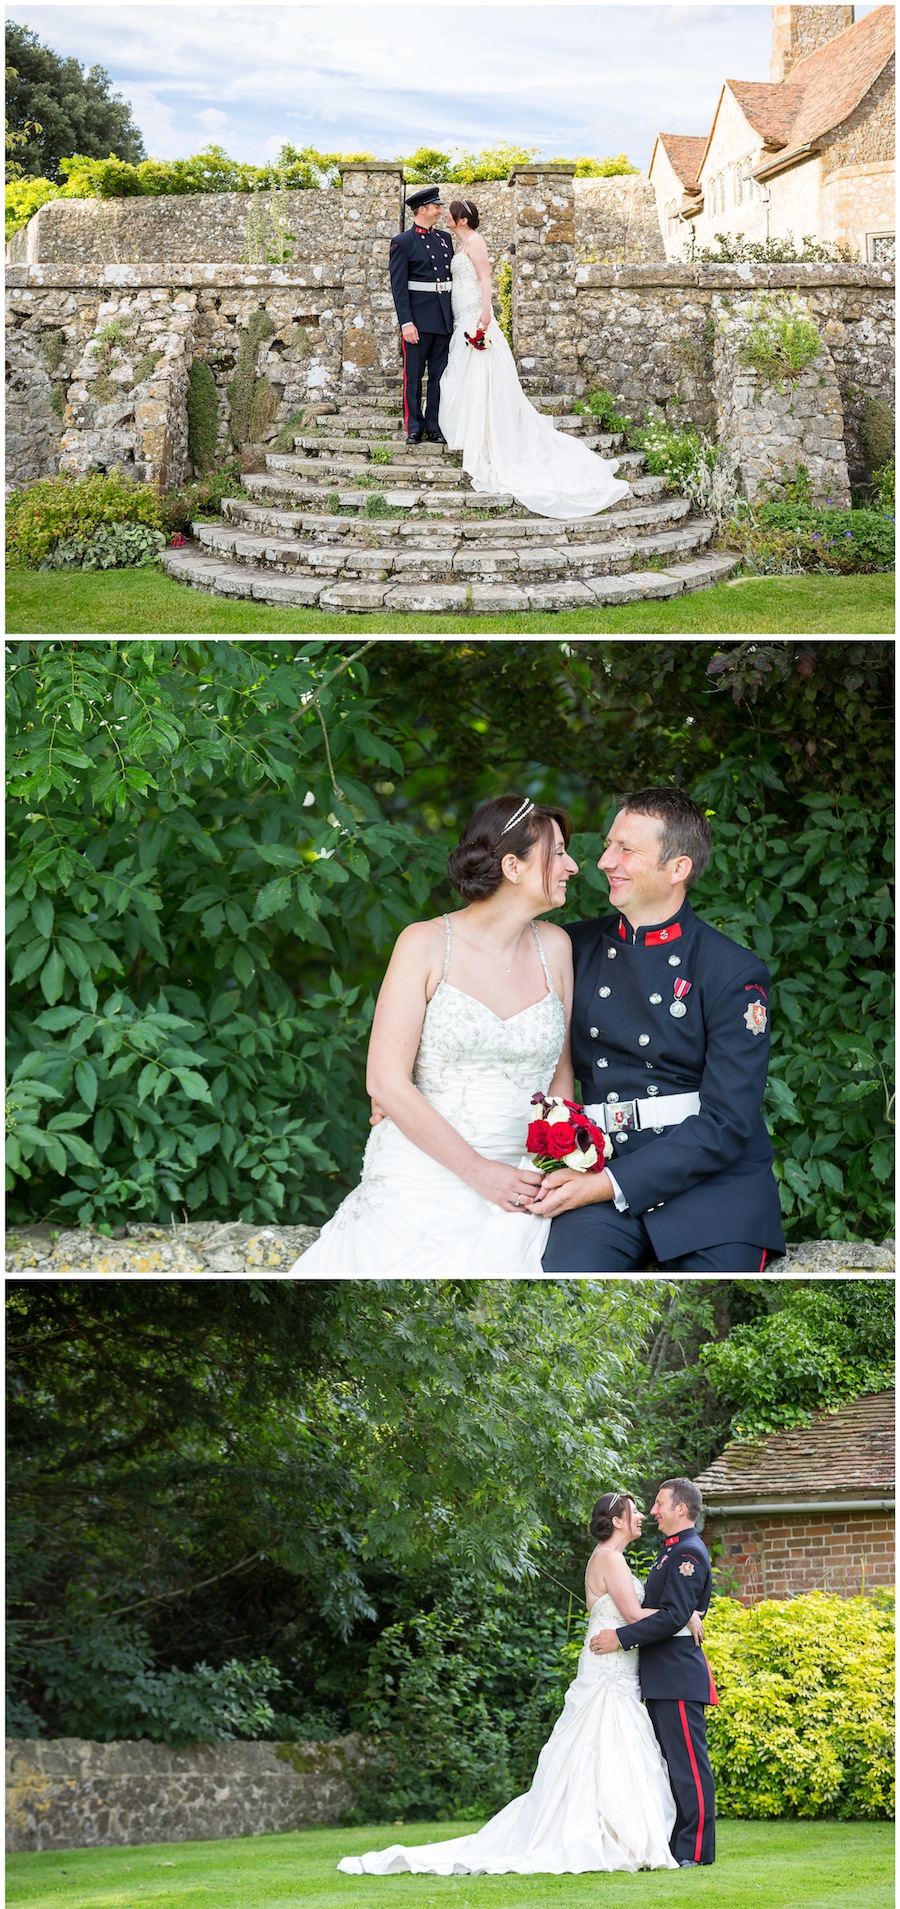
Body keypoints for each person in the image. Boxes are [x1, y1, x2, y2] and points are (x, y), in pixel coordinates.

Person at [337, 1490, 706, 1877]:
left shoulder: (615, 1559)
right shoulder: (610, 1559)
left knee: (610, 1749)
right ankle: (600, 1834)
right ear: (616, 1521)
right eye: (634, 1512)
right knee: (601, 1747)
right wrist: (685, 1618)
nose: (644, 1515)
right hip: (607, 1671)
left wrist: (681, 1614)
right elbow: (632, 1615)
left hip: (619, 1669)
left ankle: (614, 1833)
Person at [289, 795, 577, 1276]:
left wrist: (549, 1167)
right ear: (513, 866)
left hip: (525, 1176)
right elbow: (385, 1081)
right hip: (424, 1168)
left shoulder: (557, 946)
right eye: (559, 853)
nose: (572, 865)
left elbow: (560, 1077)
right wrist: (479, 1172)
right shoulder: (423, 944)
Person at [539, 786, 786, 1272]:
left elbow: (729, 1123)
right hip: (600, 1168)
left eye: (627, 850)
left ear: (678, 869)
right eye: (610, 845)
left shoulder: (732, 972)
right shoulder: (571, 946)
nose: (606, 861)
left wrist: (607, 1184)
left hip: (713, 1189)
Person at [438, 199, 632, 519]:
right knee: (462, 376)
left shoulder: (476, 241)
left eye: (450, 213)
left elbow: (485, 279)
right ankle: (471, 433)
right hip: (461, 316)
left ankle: (488, 437)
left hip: (476, 316)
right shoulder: (459, 245)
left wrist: (485, 316)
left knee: (481, 378)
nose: (445, 216)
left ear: (461, 218)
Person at [591, 1478, 717, 1867]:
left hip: (677, 1673)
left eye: (660, 1503)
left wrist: (623, 1638)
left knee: (689, 1765)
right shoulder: (670, 1552)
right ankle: (677, 1846)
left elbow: (673, 1616)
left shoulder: (688, 1554)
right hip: (662, 1675)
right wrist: (687, 1616)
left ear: (681, 1509)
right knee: (673, 1764)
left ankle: (694, 1851)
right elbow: (675, 1612)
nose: (653, 1510)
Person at [388, 184, 455, 443]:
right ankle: (414, 426)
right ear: (423, 209)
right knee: (414, 377)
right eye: (436, 207)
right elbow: (399, 287)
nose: (440, 211)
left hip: (442, 319)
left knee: (438, 378)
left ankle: (434, 425)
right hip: (416, 321)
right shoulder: (402, 242)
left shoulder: (444, 239)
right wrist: (406, 322)